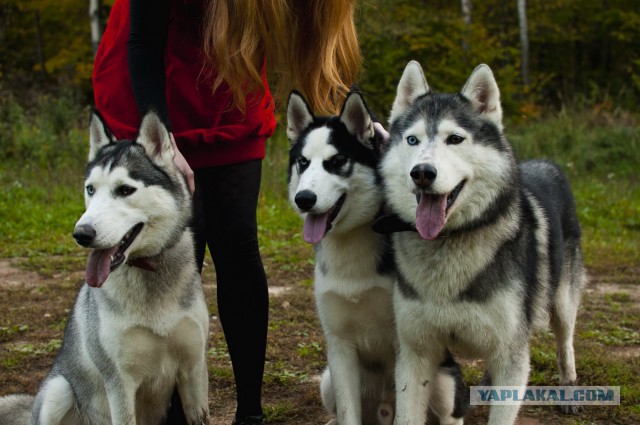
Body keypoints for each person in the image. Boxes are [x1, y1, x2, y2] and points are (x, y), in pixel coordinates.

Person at [92, 1, 362, 424]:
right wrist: (161, 140)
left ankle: (250, 413)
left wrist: (362, 130)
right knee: (172, 252)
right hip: (149, 87)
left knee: (237, 241)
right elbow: (143, 41)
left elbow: (323, 55)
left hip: (229, 83)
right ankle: (173, 412)